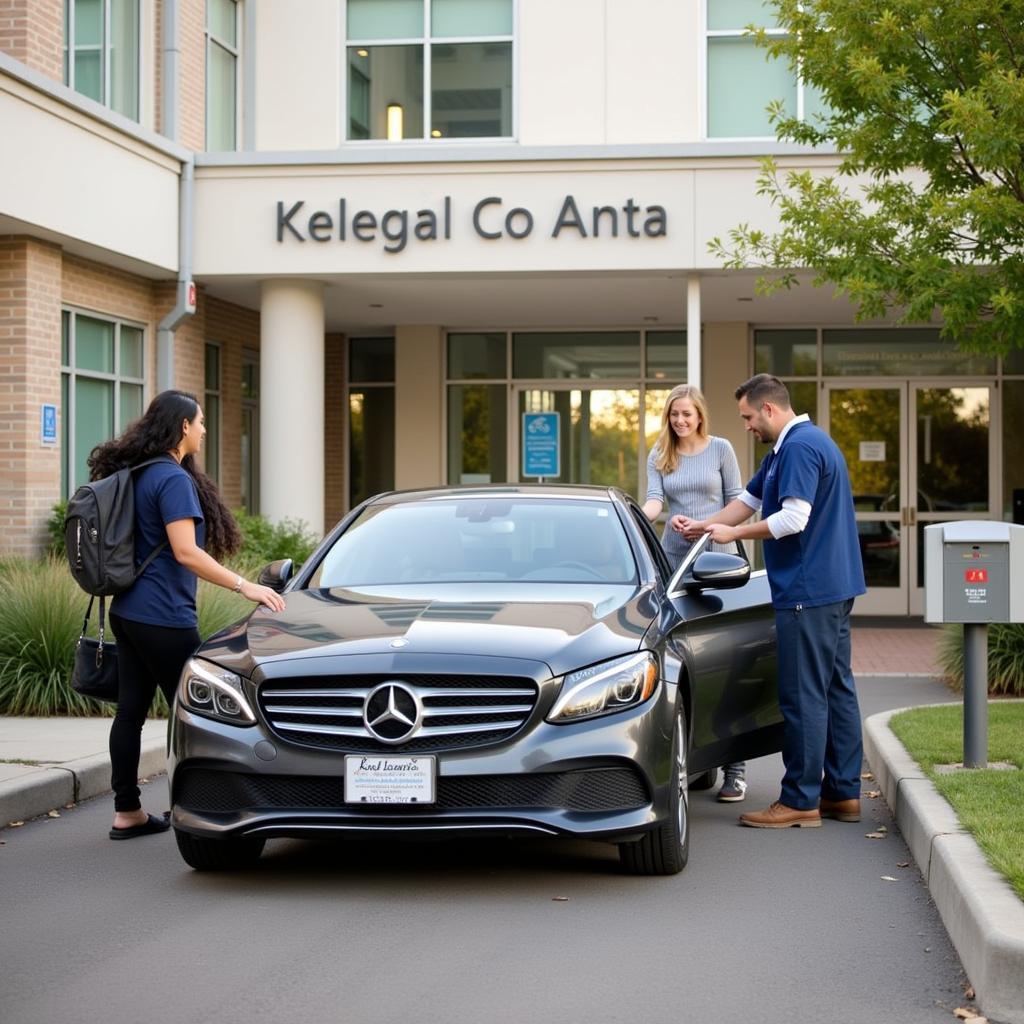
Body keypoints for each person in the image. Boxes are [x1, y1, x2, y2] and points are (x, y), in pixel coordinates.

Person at [88, 390, 285, 840]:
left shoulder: (135, 473)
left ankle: (127, 811)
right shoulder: (172, 479)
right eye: (200, 422)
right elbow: (186, 552)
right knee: (201, 713)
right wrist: (245, 585)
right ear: (182, 427)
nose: (204, 430)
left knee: (131, 712)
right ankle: (204, 810)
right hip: (163, 615)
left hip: (128, 611)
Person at [680, 374, 866, 828]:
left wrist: (735, 534)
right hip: (832, 588)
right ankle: (842, 795)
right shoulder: (789, 448)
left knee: (803, 697)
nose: (744, 425)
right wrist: (706, 528)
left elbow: (793, 519)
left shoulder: (800, 447)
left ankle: (800, 800)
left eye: (746, 416)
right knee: (836, 690)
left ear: (768, 409)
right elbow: (747, 500)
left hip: (807, 591)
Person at [642, 383, 748, 803]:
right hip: (673, 562)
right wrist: (632, 514)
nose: (680, 421)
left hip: (716, 558)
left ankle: (735, 769)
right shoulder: (660, 453)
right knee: (684, 658)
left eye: (687, 414)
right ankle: (692, 755)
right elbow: (654, 503)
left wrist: (705, 526)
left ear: (700, 414)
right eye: (674, 415)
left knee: (725, 657)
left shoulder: (721, 449)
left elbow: (739, 500)